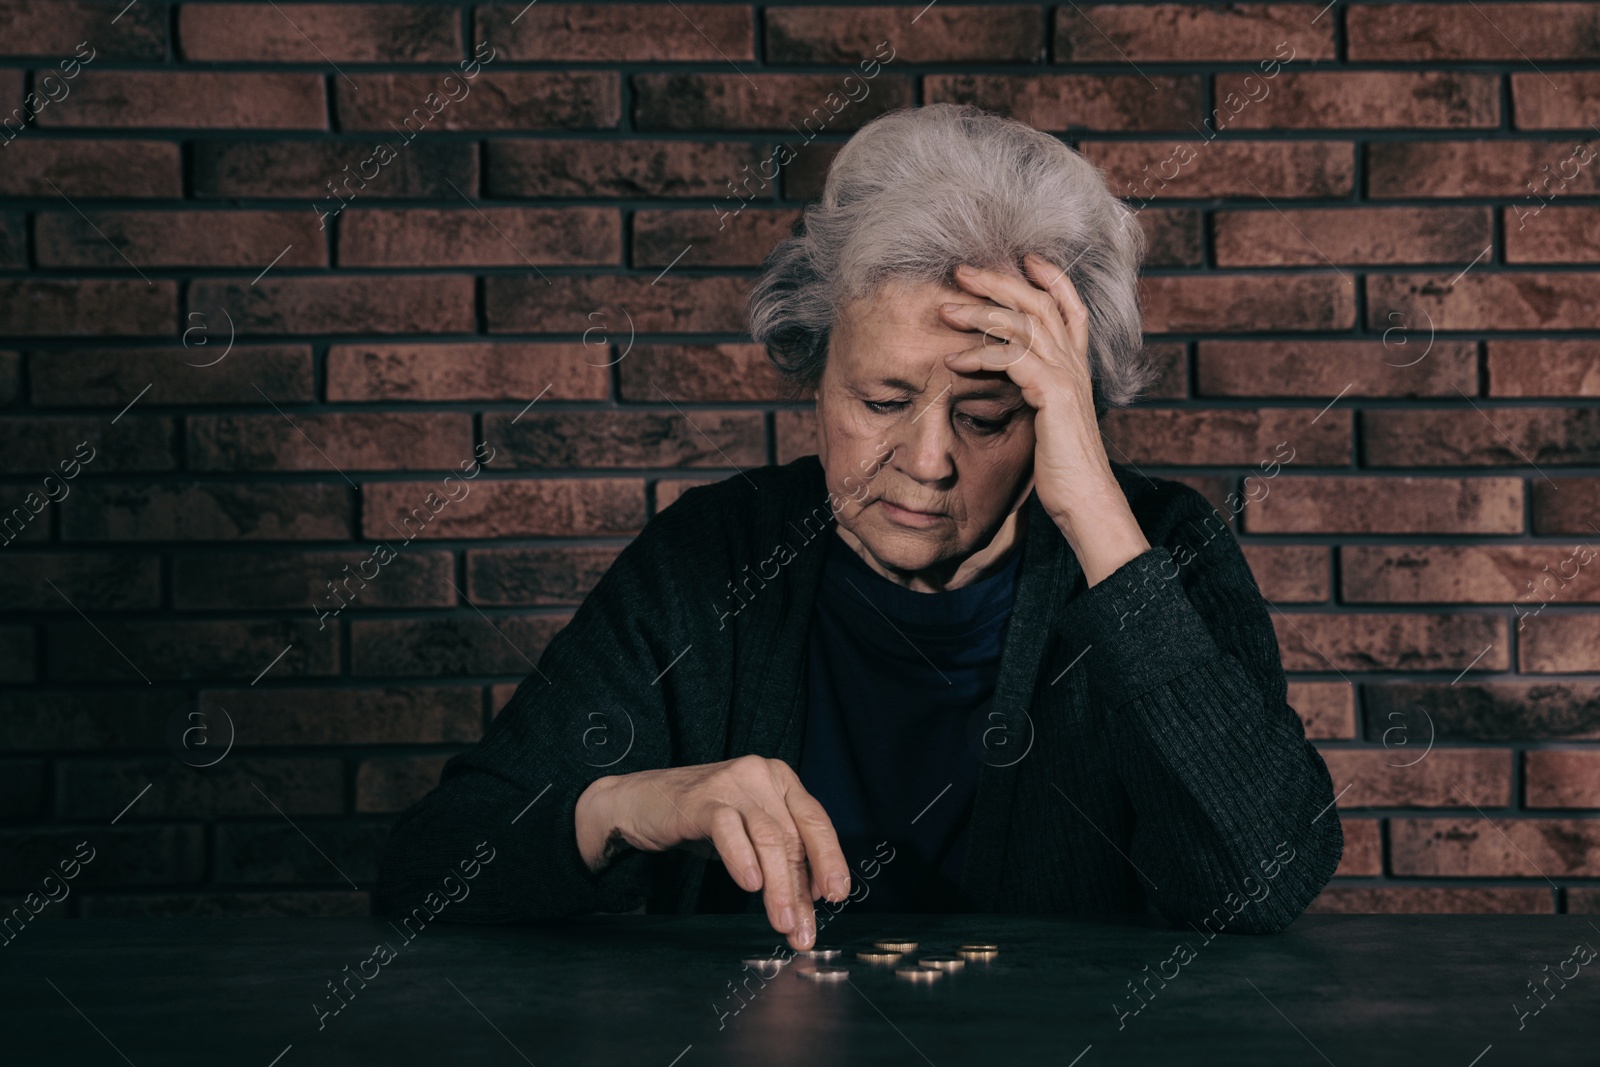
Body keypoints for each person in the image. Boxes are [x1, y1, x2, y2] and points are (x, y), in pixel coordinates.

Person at [375, 102, 1342, 949]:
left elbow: (1262, 879)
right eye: (882, 401)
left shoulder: (1160, 548)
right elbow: (429, 867)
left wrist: (1095, 513)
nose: (925, 462)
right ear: (816, 365)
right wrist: (631, 805)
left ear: (1061, 416)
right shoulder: (715, 559)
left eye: (988, 417)